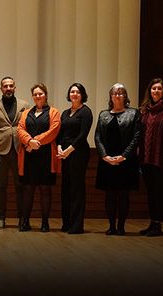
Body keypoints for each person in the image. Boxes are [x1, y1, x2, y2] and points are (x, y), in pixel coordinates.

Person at [94, 83, 142, 235]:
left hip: (126, 161)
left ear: (125, 96)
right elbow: (97, 136)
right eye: (115, 92)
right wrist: (104, 156)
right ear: (110, 96)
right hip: (107, 161)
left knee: (123, 195)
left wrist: (123, 156)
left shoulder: (134, 113)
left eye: (121, 92)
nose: (117, 95)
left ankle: (121, 226)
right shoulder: (103, 114)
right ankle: (111, 226)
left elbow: (136, 137)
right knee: (110, 195)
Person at [0, 76, 30, 229]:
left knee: (20, 186)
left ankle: (21, 219)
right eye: (5, 86)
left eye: (11, 86)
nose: (8, 88)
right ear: (1, 89)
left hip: (20, 151)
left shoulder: (25, 105)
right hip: (0, 152)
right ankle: (1, 218)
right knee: (1, 186)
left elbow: (28, 126)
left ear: (15, 88)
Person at [17, 83, 61, 232]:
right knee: (27, 189)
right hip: (28, 155)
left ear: (46, 95)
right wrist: (29, 141)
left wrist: (36, 141)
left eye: (40, 93)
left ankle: (45, 223)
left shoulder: (54, 112)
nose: (38, 96)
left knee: (45, 190)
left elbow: (54, 130)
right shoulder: (25, 113)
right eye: (35, 94)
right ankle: (25, 222)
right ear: (32, 97)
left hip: (46, 156)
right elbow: (20, 129)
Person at [137, 78, 163, 237]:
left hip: (161, 159)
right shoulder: (144, 110)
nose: (156, 91)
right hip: (146, 159)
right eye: (153, 89)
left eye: (159, 89)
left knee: (159, 192)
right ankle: (152, 222)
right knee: (150, 192)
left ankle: (158, 224)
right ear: (149, 91)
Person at [56, 82, 93, 234]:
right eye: (72, 92)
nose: (74, 94)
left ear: (82, 94)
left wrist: (69, 150)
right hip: (64, 153)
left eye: (77, 92)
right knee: (66, 188)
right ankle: (67, 223)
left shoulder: (86, 112)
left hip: (78, 153)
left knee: (76, 189)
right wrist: (59, 147)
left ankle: (76, 225)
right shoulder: (65, 113)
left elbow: (83, 134)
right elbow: (61, 133)